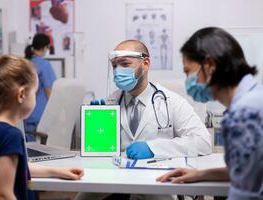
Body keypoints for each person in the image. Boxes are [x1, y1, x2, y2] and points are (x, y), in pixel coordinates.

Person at [75, 40, 212, 200]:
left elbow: (203, 141)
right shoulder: (110, 103)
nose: (118, 71)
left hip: (159, 182)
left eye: (125, 64)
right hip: (118, 182)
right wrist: (96, 132)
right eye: (114, 66)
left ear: (145, 63)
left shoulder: (171, 101)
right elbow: (100, 155)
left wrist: (153, 148)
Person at [156, 27, 263, 200]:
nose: (187, 80)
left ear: (210, 65)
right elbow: (246, 170)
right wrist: (199, 174)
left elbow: (245, 194)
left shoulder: (244, 113)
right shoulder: (255, 97)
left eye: (187, 71)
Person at [0, 55, 83, 199]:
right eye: (34, 93)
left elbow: (18, 169)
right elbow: (2, 195)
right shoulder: (11, 136)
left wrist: (57, 171)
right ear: (21, 94)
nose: (35, 98)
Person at [24, 33, 57, 141]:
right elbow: (49, 91)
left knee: (29, 147)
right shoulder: (44, 64)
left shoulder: (25, 63)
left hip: (25, 113)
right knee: (40, 149)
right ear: (45, 47)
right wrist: (58, 113)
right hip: (39, 115)